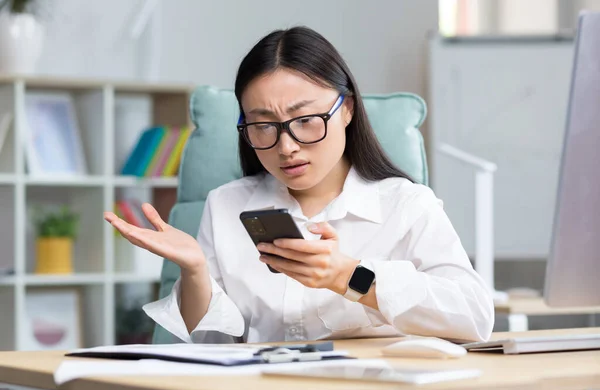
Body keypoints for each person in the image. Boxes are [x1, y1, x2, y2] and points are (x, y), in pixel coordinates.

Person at [104, 26, 494, 344]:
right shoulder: (225, 205)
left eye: (305, 120)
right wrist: (193, 272)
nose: (286, 147)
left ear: (348, 109)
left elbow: (474, 316)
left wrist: (349, 276)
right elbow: (209, 346)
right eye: (263, 126)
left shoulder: (407, 204)